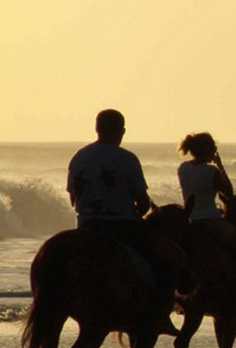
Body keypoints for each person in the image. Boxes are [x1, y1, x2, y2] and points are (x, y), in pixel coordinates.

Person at [67, 109, 180, 316]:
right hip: (122, 225)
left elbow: (73, 199)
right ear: (122, 131)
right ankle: (160, 312)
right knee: (169, 257)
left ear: (97, 128)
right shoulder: (126, 158)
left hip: (85, 225)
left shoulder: (79, 157)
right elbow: (143, 203)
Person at [177, 132, 236, 310]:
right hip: (210, 222)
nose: (215, 150)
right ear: (206, 149)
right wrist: (220, 165)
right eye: (213, 147)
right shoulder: (211, 171)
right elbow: (228, 192)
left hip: (189, 222)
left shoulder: (182, 168)